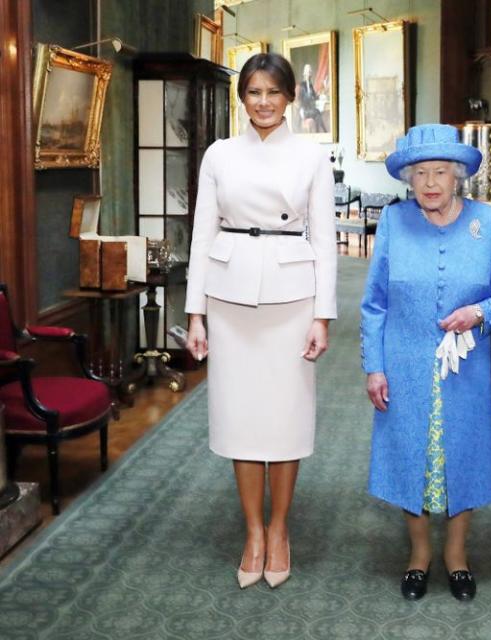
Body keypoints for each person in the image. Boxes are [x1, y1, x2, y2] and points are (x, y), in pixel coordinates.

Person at [184, 52, 337, 590]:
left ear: (290, 96)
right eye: (254, 92)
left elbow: (325, 239)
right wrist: (195, 312)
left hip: (292, 297)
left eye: (274, 91)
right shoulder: (220, 155)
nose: (264, 101)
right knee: (241, 420)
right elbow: (202, 235)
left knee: (285, 420)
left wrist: (323, 314)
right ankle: (252, 531)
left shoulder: (310, 156)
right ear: (241, 97)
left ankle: (279, 529)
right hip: (228, 298)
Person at [360, 124, 491, 601]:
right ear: (408, 180)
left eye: (440, 172)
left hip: (466, 368)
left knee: (464, 457)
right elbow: (374, 303)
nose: (430, 182)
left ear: (458, 177)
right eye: (420, 174)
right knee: (411, 453)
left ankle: (456, 554)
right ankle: (419, 554)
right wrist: (375, 365)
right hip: (405, 362)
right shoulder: (393, 222)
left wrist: (481, 312)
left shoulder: (489, 222)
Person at [296, 63, 322, 134]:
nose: (309, 74)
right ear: (304, 73)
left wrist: (319, 96)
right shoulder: (301, 85)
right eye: (308, 72)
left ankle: (318, 133)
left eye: (310, 72)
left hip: (309, 109)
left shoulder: (310, 85)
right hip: (304, 110)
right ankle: (322, 132)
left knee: (317, 115)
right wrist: (311, 97)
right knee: (317, 112)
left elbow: (314, 96)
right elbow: (302, 99)